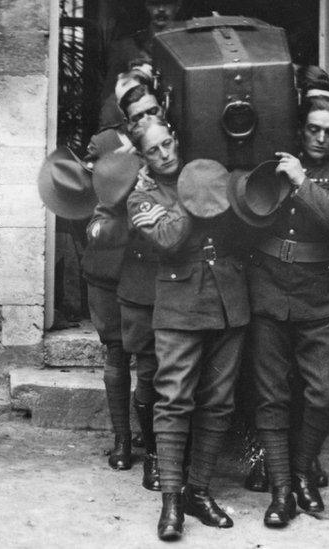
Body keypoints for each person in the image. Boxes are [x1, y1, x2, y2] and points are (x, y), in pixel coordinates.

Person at [127, 115, 249, 541]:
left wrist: (212, 183)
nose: (165, 154)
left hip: (228, 299)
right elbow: (168, 238)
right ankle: (172, 500)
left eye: (168, 143)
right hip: (179, 305)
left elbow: (246, 218)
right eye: (154, 149)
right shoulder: (140, 197)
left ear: (176, 139)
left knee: (218, 402)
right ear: (142, 157)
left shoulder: (207, 170)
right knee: (174, 399)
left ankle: (199, 491)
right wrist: (196, 193)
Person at [248, 82, 329, 527]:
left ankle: (301, 472)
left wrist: (300, 182)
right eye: (313, 129)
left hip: (319, 294)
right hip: (270, 288)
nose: (320, 138)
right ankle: (281, 491)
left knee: (324, 395)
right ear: (300, 128)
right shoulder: (272, 163)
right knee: (271, 395)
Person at [83, 82, 167, 490]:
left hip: (149, 274)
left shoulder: (169, 151)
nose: (147, 121)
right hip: (111, 270)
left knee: (150, 361)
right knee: (116, 353)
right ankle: (121, 439)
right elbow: (96, 213)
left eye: (153, 112)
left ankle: (152, 446)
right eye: (137, 117)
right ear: (126, 123)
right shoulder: (115, 157)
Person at [98, 1, 182, 129]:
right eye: (155, 3)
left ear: (178, 5)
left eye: (167, 3)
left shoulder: (189, 48)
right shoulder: (126, 49)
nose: (161, 9)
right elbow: (110, 102)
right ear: (146, 5)